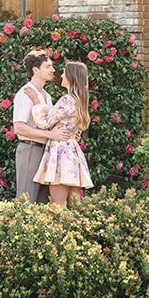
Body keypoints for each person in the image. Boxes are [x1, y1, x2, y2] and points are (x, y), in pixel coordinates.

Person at [11, 50, 70, 202]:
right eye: (48, 67)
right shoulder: (25, 93)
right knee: (26, 200)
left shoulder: (46, 96)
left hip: (46, 151)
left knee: (42, 202)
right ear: (36, 70)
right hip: (30, 150)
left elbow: (48, 123)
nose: (53, 70)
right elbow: (19, 128)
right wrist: (51, 135)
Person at [33, 61, 93, 207]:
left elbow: (45, 122)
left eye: (64, 73)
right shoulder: (80, 101)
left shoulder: (66, 100)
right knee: (75, 206)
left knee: (57, 205)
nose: (61, 75)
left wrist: (37, 102)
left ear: (71, 77)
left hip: (60, 152)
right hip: (73, 152)